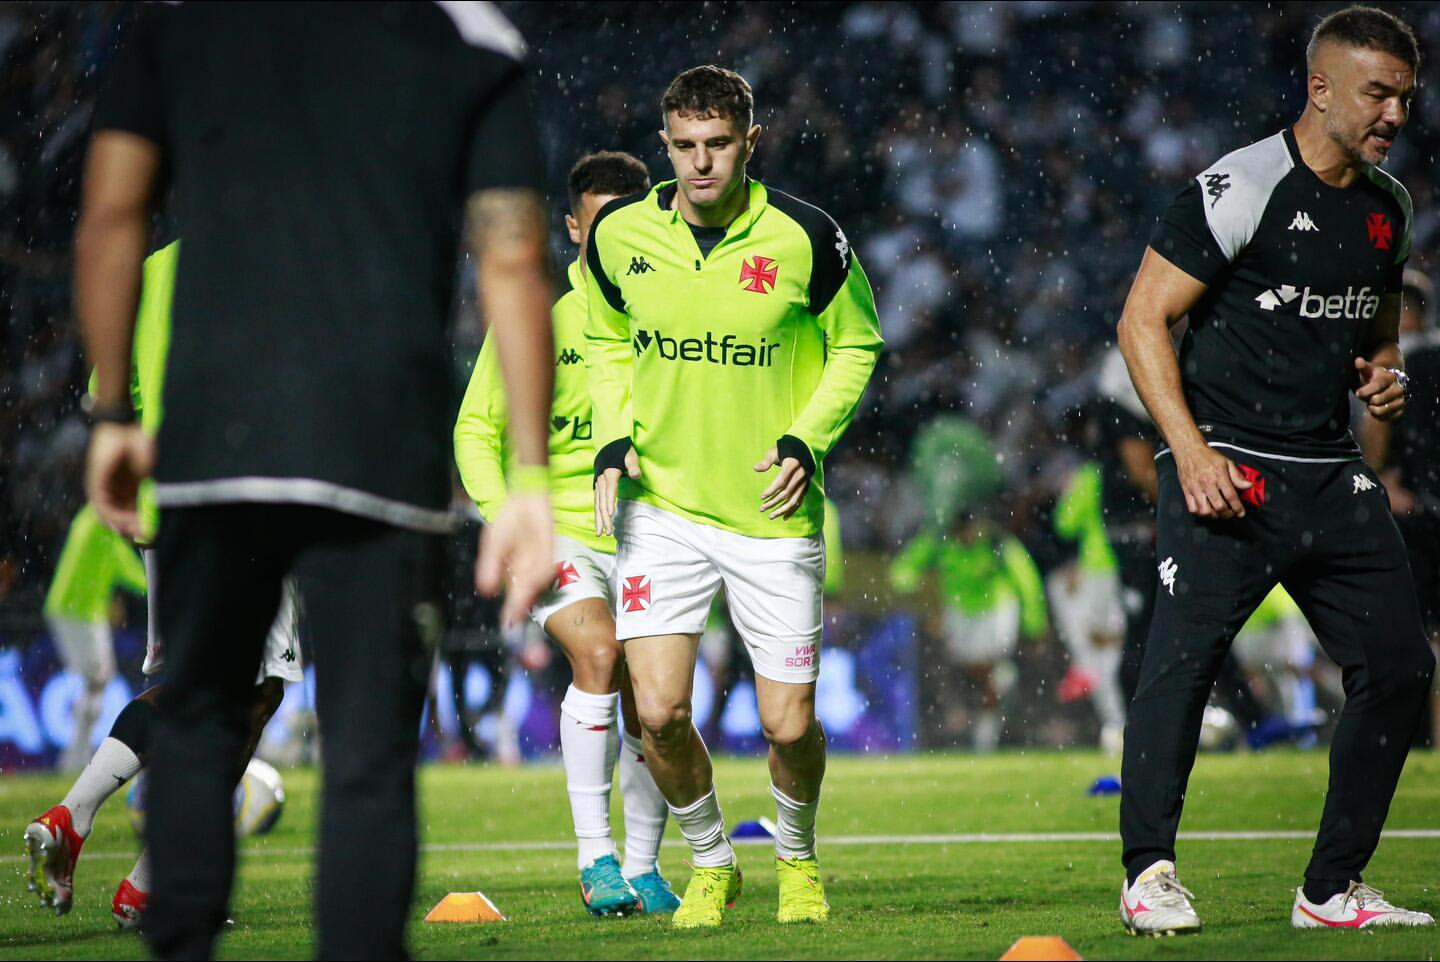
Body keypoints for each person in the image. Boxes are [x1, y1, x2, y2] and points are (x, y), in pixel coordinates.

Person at [75, 5, 556, 957]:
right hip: (382, 438)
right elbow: (512, 254)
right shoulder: (472, 36)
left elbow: (111, 215)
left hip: (216, 435)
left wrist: (111, 416)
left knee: (201, 721)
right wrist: (530, 476)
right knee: (368, 759)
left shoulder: (182, 30)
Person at [1115, 5, 1434, 934]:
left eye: (1407, 99)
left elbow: (1375, 336)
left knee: (1401, 664)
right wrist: (1189, 450)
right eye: (1378, 94)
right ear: (1320, 87)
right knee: (1182, 663)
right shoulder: (1241, 185)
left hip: (1329, 470)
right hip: (1228, 465)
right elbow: (1141, 320)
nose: (1395, 116)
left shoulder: (1390, 206)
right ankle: (1149, 876)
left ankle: (1331, 890)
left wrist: (1383, 376)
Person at [586, 65, 883, 928]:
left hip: (770, 511)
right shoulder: (619, 238)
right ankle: (712, 861)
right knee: (659, 712)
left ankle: (797, 857)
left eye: (718, 146)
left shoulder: (806, 236)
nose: (701, 164)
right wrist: (613, 435)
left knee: (789, 727)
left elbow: (857, 344)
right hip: (662, 510)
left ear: (751, 141)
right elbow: (606, 337)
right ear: (665, 145)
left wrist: (806, 438)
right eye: (684, 147)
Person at [26, 239, 303, 930]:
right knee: (247, 693)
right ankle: (101, 833)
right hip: (248, 498)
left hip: (169, 503)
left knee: (213, 690)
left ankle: (129, 868)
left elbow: (103, 393)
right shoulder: (275, 257)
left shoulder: (151, 268)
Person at [455, 150, 680, 916]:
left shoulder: (674, 310)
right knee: (600, 651)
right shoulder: (542, 319)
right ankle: (597, 860)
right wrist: (508, 519)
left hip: (654, 536)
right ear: (574, 229)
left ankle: (646, 867)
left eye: (628, 217)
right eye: (599, 222)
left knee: (655, 704)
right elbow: (473, 431)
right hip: (562, 537)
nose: (614, 234)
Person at [41, 503, 146, 772]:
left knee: (96, 682)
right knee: (98, 680)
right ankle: (75, 756)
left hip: (75, 610)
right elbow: (134, 574)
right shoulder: (103, 525)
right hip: (78, 613)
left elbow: (127, 570)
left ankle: (76, 755)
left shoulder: (92, 519)